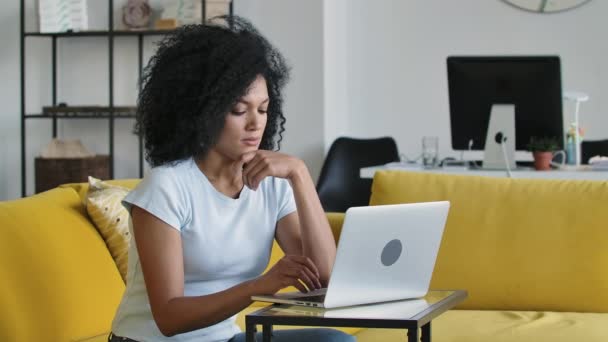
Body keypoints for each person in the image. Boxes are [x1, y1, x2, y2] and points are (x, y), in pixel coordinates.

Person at [109, 16, 356, 342]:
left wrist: (300, 176)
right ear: (202, 112)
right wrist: (260, 286)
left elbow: (324, 280)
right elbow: (169, 317)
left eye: (264, 109)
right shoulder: (166, 187)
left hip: (223, 339)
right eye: (240, 110)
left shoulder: (272, 185)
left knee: (336, 341)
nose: (256, 124)